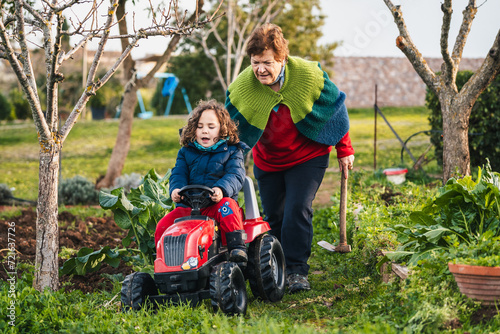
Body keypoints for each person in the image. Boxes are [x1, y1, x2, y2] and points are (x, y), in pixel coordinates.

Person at [225, 23, 355, 293]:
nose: (261, 69)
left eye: (268, 62)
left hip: (308, 155)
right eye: (256, 62)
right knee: (275, 216)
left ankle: (297, 270)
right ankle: (275, 266)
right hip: (268, 160)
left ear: (282, 59)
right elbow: (227, 125)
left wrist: (345, 149)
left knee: (298, 209)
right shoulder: (243, 87)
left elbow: (334, 109)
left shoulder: (308, 74)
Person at [154, 100, 250, 264]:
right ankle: (163, 260)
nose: (205, 131)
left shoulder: (233, 151)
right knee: (164, 225)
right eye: (200, 126)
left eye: (211, 127)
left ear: (222, 129)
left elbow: (236, 174)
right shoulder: (186, 152)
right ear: (193, 129)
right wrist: (176, 189)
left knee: (228, 207)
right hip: (189, 207)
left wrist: (221, 189)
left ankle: (236, 248)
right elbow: (178, 173)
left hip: (216, 205)